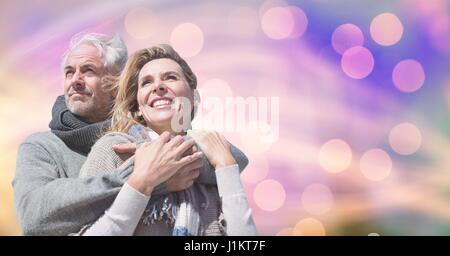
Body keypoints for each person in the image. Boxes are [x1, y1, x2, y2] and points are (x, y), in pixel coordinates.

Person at [13, 33, 247, 235]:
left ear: (116, 86)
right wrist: (151, 177)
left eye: (88, 71)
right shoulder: (44, 146)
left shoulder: (142, 141)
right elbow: (34, 218)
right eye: (68, 72)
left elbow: (235, 159)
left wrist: (167, 152)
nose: (75, 80)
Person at [75, 44, 257, 235]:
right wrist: (142, 183)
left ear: (193, 98)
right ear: (137, 107)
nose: (158, 86)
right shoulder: (113, 150)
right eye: (146, 82)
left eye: (170, 77)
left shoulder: (211, 164)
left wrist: (226, 165)